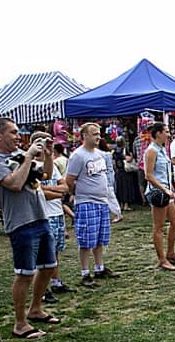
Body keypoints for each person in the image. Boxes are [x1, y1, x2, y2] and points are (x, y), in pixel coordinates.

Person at [0, 117, 60, 340]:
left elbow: (45, 175)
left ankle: (35, 309)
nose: (18, 136)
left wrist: (48, 154)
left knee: (48, 266)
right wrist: (28, 156)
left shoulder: (19, 155)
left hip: (40, 216)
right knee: (25, 273)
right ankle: (20, 323)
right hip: (20, 221)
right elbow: (14, 184)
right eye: (13, 132)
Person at [65, 123, 119, 288]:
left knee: (100, 239)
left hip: (102, 201)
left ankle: (99, 268)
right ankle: (85, 272)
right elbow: (69, 180)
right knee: (86, 240)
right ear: (85, 136)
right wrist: (76, 193)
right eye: (94, 134)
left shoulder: (98, 154)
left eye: (99, 134)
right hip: (86, 202)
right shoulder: (78, 156)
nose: (98, 137)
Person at [34, 131, 76, 304]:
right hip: (44, 215)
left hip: (57, 213)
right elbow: (38, 192)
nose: (47, 146)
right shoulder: (32, 166)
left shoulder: (52, 165)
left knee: (55, 252)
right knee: (44, 255)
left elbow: (65, 187)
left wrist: (52, 191)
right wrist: (56, 193)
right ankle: (43, 290)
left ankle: (56, 282)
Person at [145, 123, 175, 270]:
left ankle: (170, 253)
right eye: (166, 132)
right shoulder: (151, 151)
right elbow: (148, 175)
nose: (168, 134)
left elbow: (165, 174)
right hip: (158, 193)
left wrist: (171, 192)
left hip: (167, 192)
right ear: (158, 133)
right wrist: (165, 190)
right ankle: (162, 259)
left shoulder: (162, 150)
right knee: (158, 227)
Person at [99, 138, 122, 223]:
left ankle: (117, 213)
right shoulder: (108, 154)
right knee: (109, 196)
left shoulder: (102, 154)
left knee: (110, 196)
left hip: (106, 178)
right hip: (109, 176)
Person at [113, 136, 138, 212]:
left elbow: (114, 163)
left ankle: (121, 204)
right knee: (127, 188)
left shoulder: (115, 151)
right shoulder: (125, 150)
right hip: (126, 171)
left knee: (120, 188)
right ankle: (126, 205)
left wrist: (116, 170)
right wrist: (132, 155)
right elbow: (128, 159)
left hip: (119, 171)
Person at [133, 130, 150, 206]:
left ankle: (144, 200)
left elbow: (134, 152)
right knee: (150, 181)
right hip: (149, 163)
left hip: (140, 164)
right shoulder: (150, 139)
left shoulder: (136, 140)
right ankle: (150, 199)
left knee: (141, 183)